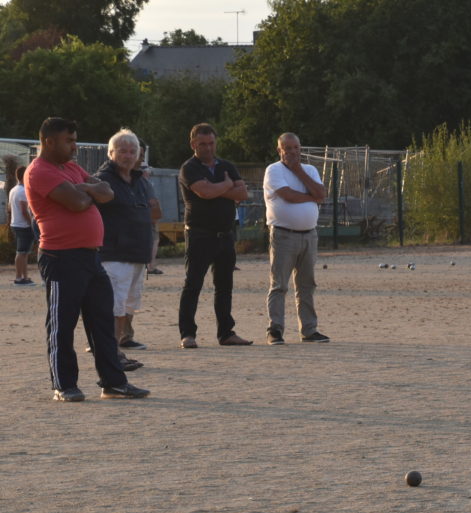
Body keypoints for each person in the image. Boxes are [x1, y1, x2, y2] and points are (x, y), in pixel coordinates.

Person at [24, 117, 148, 401]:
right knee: (62, 324)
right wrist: (87, 190)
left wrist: (83, 188)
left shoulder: (70, 168)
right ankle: (64, 385)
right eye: (69, 141)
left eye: (75, 140)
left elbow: (108, 192)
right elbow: (79, 202)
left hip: (91, 256)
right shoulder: (39, 171)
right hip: (61, 257)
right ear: (48, 142)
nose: (74, 146)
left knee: (102, 322)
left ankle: (113, 383)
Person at [178, 122, 251, 348]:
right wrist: (227, 185)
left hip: (225, 235)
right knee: (193, 285)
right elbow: (205, 192)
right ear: (193, 144)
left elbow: (243, 193)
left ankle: (226, 333)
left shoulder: (227, 165)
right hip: (199, 235)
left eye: (211, 143)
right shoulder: (189, 168)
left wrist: (218, 187)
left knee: (224, 286)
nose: (208, 148)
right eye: (203, 144)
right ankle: (187, 334)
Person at [95, 129, 161, 365]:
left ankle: (116, 350)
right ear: (111, 153)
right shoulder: (102, 180)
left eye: (133, 151)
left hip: (137, 254)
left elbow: (153, 211)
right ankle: (110, 355)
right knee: (114, 306)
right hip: (114, 253)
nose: (128, 155)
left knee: (126, 305)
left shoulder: (139, 180)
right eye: (122, 151)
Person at [263, 132, 329, 345]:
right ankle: (275, 329)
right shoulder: (274, 170)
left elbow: (322, 193)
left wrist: (299, 170)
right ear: (279, 150)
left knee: (307, 285)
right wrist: (312, 197)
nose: (292, 152)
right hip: (284, 235)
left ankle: (309, 330)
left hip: (309, 235)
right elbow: (288, 195)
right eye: (287, 148)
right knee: (279, 285)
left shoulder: (309, 170)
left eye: (296, 148)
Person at [9, 165, 39, 285]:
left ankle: (24, 277)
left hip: (16, 224)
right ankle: (18, 278)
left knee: (24, 252)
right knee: (21, 252)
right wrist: (31, 223)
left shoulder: (13, 190)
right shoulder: (23, 191)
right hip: (23, 225)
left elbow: (10, 208)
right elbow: (24, 210)